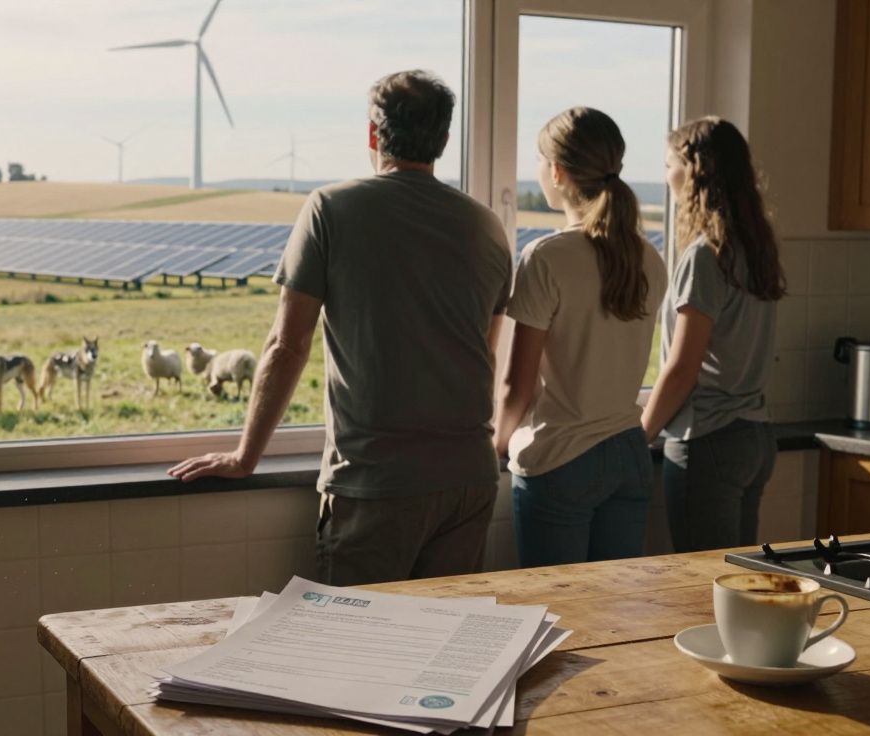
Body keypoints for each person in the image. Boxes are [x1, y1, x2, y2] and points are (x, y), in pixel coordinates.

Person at [168, 70, 512, 586]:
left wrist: (245, 457)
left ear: (373, 135)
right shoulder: (486, 225)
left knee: (352, 653)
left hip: (377, 482)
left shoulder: (331, 208)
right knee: (441, 653)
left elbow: (288, 344)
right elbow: (483, 352)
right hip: (468, 479)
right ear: (443, 139)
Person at [493, 107, 667, 568]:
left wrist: (497, 444)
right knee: (613, 617)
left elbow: (517, 383)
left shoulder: (547, 257)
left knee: (556, 610)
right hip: (628, 454)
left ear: (557, 171)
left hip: (561, 460)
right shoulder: (649, 257)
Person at [642, 116, 785, 552]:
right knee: (738, 584)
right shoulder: (756, 246)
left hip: (709, 441)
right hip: (754, 439)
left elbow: (683, 368)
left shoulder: (705, 256)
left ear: (693, 170)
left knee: (703, 588)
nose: (665, 177)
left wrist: (640, 435)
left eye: (669, 165)